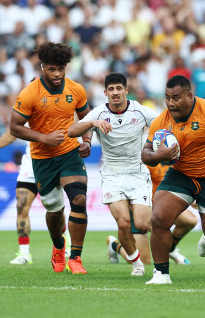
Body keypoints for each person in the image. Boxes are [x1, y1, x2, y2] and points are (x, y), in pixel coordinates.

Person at [141, 75, 205, 285]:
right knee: (159, 218)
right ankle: (161, 274)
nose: (171, 103)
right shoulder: (162, 121)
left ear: (189, 96)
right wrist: (158, 156)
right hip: (181, 175)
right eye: (167, 98)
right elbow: (145, 154)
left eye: (176, 98)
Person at [10, 42, 92, 274]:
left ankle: (75, 258)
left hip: (69, 153)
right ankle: (58, 246)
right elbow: (15, 127)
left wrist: (86, 141)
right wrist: (43, 138)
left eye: (61, 69)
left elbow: (87, 119)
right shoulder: (30, 93)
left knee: (79, 200)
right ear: (42, 67)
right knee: (54, 210)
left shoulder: (76, 89)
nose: (57, 74)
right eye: (52, 69)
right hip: (42, 158)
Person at [67, 73, 157, 276]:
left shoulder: (141, 111)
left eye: (119, 88)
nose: (115, 93)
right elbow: (72, 131)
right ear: (105, 92)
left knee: (143, 223)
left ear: (126, 90)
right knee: (124, 223)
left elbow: (164, 124)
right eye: (111, 89)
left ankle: (166, 246)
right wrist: (92, 124)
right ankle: (137, 265)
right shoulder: (98, 113)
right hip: (112, 176)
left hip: (137, 174)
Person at [0, 130, 71, 264]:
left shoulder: (58, 110)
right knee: (21, 206)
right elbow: (14, 131)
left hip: (53, 163)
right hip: (31, 164)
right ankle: (24, 253)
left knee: (56, 210)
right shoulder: (28, 110)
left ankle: (65, 239)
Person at [106, 163, 197, 267]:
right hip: (140, 206)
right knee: (143, 260)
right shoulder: (145, 157)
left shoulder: (175, 156)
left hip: (161, 203)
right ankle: (115, 245)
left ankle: (169, 250)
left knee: (190, 221)